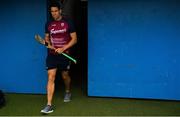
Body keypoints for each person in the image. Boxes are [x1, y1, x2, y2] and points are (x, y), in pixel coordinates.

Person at [40, 1, 77, 114]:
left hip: (64, 54)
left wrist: (63, 48)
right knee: (51, 76)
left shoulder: (68, 23)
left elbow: (74, 39)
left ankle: (67, 91)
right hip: (52, 55)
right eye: (52, 11)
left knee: (65, 75)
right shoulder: (48, 24)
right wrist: (47, 43)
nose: (54, 13)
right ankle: (49, 104)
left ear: (60, 10)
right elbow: (47, 39)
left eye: (56, 11)